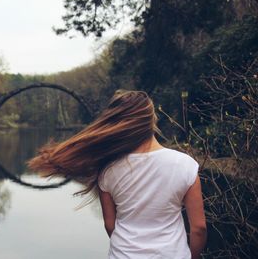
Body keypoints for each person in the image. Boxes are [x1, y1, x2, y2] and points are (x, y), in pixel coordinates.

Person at [27, 90, 207, 259]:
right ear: (152, 120)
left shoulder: (108, 170)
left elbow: (110, 225)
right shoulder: (185, 165)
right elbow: (198, 228)